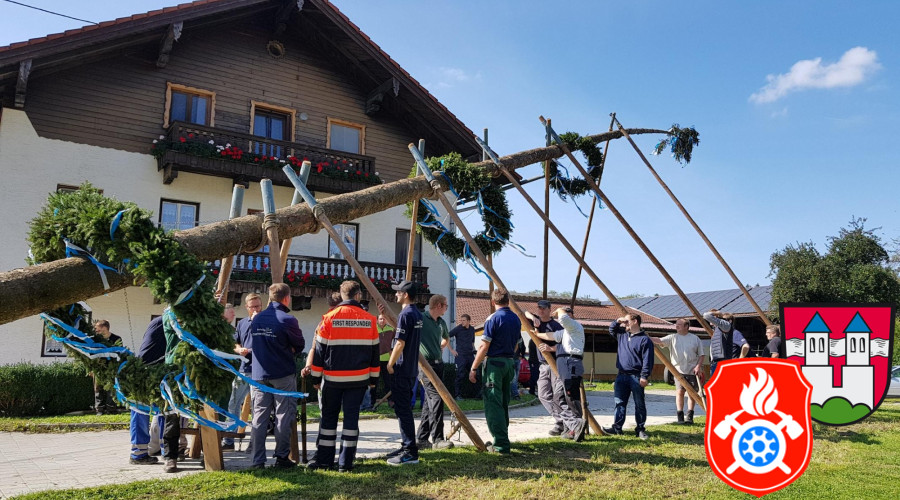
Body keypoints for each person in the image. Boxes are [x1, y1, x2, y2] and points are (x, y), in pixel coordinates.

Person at [305, 281, 380, 472]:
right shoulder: (370, 320)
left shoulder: (328, 318)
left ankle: (324, 461)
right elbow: (374, 355)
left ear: (342, 294)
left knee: (328, 420)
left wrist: (315, 379)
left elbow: (319, 353)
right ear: (358, 296)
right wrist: (373, 381)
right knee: (351, 421)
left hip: (333, 379)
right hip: (358, 380)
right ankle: (345, 463)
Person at [248, 283, 305, 469]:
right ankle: (281, 457)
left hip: (258, 375)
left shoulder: (256, 319)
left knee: (259, 417)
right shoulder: (287, 319)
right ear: (286, 298)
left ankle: (258, 460)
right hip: (282, 373)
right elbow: (300, 345)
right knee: (283, 415)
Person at [469, 287, 520, 454]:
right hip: (509, 363)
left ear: (493, 301)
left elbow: (484, 346)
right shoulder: (516, 319)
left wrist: (474, 367)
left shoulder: (493, 319)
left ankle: (500, 445)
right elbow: (517, 345)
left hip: (495, 365)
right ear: (508, 301)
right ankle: (503, 438)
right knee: (504, 402)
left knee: (493, 404)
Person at [524, 299, 580, 438]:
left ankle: (570, 424)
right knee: (543, 395)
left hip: (556, 364)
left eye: (543, 308)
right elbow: (523, 312)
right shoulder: (534, 321)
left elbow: (565, 344)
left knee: (558, 396)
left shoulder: (557, 326)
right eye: (539, 308)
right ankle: (560, 420)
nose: (540, 310)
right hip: (542, 365)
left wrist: (551, 348)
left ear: (550, 309)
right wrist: (533, 318)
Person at [382, 280, 423, 466]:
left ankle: (410, 452)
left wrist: (390, 364)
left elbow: (400, 343)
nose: (396, 294)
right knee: (403, 409)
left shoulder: (406, 314)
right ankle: (407, 446)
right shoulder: (416, 314)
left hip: (402, 368)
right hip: (411, 368)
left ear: (406, 294)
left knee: (403, 410)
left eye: (398, 292)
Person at [603, 313, 654, 440]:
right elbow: (611, 329)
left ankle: (640, 429)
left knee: (639, 403)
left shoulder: (645, 339)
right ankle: (617, 428)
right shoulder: (622, 335)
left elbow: (648, 360)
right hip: (621, 375)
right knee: (619, 402)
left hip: (637, 376)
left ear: (635, 321)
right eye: (624, 322)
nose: (624, 324)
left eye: (626, 321)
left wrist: (644, 376)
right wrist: (617, 320)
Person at [222, 294, 262, 450]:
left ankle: (255, 443)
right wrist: (239, 349)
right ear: (247, 307)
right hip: (243, 369)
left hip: (259, 371)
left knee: (257, 407)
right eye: (252, 307)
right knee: (233, 403)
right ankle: (229, 440)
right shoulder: (242, 323)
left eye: (258, 306)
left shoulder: (264, 322)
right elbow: (236, 342)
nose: (256, 309)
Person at [415, 294, 454, 450]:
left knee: (428, 402)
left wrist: (441, 347)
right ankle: (437, 439)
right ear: (439, 305)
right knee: (437, 398)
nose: (446, 308)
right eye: (445, 305)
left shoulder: (441, 322)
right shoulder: (422, 319)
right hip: (425, 366)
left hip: (439, 365)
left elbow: (447, 338)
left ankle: (422, 438)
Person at [651, 318, 704, 425]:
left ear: (686, 326)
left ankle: (690, 416)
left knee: (692, 394)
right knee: (680, 392)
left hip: (692, 370)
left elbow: (702, 355)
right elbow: (660, 340)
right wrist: (646, 337)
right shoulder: (672, 337)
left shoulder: (695, 338)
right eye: (676, 324)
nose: (676, 326)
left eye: (679, 324)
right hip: (678, 371)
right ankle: (680, 416)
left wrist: (698, 366)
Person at [128, 316, 164, 465]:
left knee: (161, 411)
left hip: (154, 370)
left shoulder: (160, 321)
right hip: (148, 371)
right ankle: (139, 453)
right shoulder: (166, 321)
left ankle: (161, 450)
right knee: (143, 411)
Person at [160, 307, 185, 472]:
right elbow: (183, 330)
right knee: (172, 417)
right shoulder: (170, 312)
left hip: (196, 367)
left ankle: (208, 453)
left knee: (206, 413)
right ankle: (170, 458)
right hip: (174, 370)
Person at [705, 309, 749, 376]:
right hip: (716, 363)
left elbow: (706, 315)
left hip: (723, 362)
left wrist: (718, 313)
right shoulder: (717, 330)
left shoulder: (726, 326)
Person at [93, 319, 122, 415]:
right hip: (98, 367)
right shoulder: (96, 339)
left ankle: (111, 409)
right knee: (98, 388)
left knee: (111, 388)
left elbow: (119, 353)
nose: (96, 330)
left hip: (112, 367)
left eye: (97, 328)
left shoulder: (116, 339)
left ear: (104, 328)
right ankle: (99, 410)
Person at [448, 314, 477, 400]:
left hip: (470, 355)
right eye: (461, 320)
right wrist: (451, 350)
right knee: (460, 375)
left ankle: (476, 395)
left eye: (464, 320)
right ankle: (457, 395)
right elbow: (446, 337)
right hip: (460, 356)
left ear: (468, 321)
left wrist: (474, 350)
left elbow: (472, 342)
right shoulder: (458, 329)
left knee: (475, 373)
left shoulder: (472, 329)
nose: (462, 322)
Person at [375, 314, 395, 404]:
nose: (382, 320)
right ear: (377, 320)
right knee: (374, 381)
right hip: (376, 359)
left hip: (388, 360)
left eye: (384, 319)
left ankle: (391, 401)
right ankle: (372, 401)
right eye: (380, 319)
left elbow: (395, 342)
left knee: (388, 381)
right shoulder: (374, 329)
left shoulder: (391, 329)